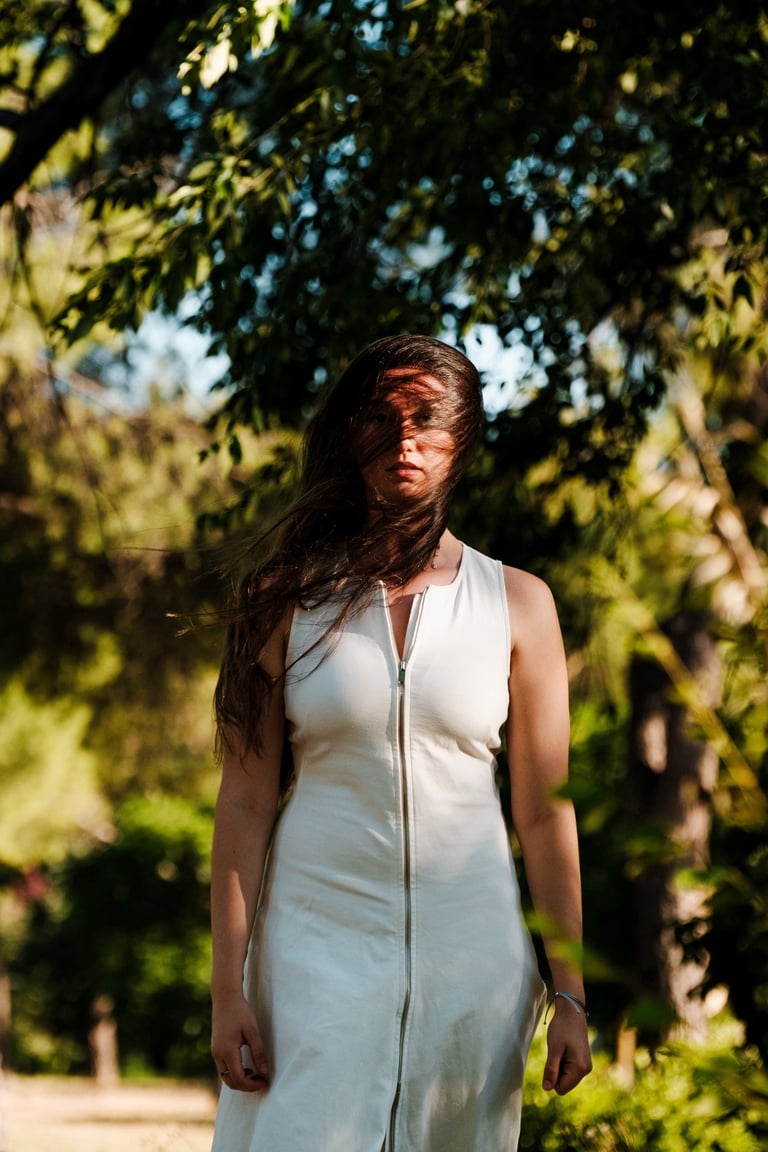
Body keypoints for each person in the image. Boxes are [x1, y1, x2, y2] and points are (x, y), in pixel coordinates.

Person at [209, 334, 591, 1152]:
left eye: (427, 419)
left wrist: (571, 993)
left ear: (463, 437)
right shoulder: (284, 600)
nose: (404, 440)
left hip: (472, 958)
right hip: (310, 949)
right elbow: (243, 802)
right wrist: (227, 989)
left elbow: (544, 813)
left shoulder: (520, 604)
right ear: (351, 436)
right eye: (381, 418)